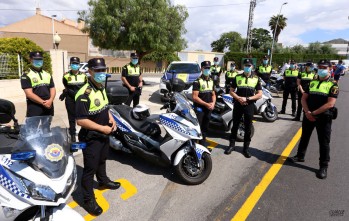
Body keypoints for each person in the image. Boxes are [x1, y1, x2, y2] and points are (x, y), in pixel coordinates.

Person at [75, 58, 120, 216]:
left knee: (102, 159)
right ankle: (88, 200)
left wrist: (111, 119)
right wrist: (102, 128)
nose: (102, 73)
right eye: (98, 70)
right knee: (89, 169)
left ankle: (103, 181)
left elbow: (104, 107)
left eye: (103, 70)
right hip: (91, 137)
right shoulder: (84, 93)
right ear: (90, 71)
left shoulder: (100, 87)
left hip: (103, 135)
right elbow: (80, 120)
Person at [289, 59, 338, 179]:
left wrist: (313, 113)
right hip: (308, 115)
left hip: (323, 118)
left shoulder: (333, 85)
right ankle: (300, 156)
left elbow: (330, 104)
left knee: (324, 142)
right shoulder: (312, 82)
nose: (321, 69)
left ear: (330, 69)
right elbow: (303, 98)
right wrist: (307, 112)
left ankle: (323, 166)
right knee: (304, 136)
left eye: (324, 67)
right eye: (320, 67)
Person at [225, 59, 262, 157]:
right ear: (243, 66)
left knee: (248, 127)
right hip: (238, 104)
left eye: (249, 65)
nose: (247, 67)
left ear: (252, 67)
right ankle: (231, 146)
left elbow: (259, 94)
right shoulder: (237, 77)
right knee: (235, 126)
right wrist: (238, 98)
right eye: (245, 65)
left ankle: (246, 148)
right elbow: (231, 91)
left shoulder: (256, 78)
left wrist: (248, 98)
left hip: (249, 106)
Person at [59, 57, 87, 142]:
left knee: (83, 117)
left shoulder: (84, 76)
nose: (75, 65)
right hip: (70, 99)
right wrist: (65, 93)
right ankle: (73, 134)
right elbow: (66, 86)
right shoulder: (66, 75)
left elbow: (87, 87)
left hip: (81, 100)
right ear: (70, 65)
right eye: (73, 64)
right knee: (71, 118)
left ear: (79, 65)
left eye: (76, 64)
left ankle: (84, 133)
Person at [21, 51, 56, 117]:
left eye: (40, 59)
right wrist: (43, 102)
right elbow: (29, 94)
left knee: (46, 126)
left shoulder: (47, 74)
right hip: (35, 106)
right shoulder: (26, 75)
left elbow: (52, 88)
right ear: (30, 60)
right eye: (36, 59)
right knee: (33, 127)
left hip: (49, 104)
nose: (39, 61)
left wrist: (50, 100)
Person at [192, 61, 216, 148]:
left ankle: (203, 143)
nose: (207, 69)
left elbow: (213, 94)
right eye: (205, 68)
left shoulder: (211, 80)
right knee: (198, 126)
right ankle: (194, 145)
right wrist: (206, 104)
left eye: (208, 68)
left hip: (208, 108)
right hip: (200, 108)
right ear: (201, 69)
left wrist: (213, 103)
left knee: (205, 126)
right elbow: (195, 97)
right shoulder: (197, 81)